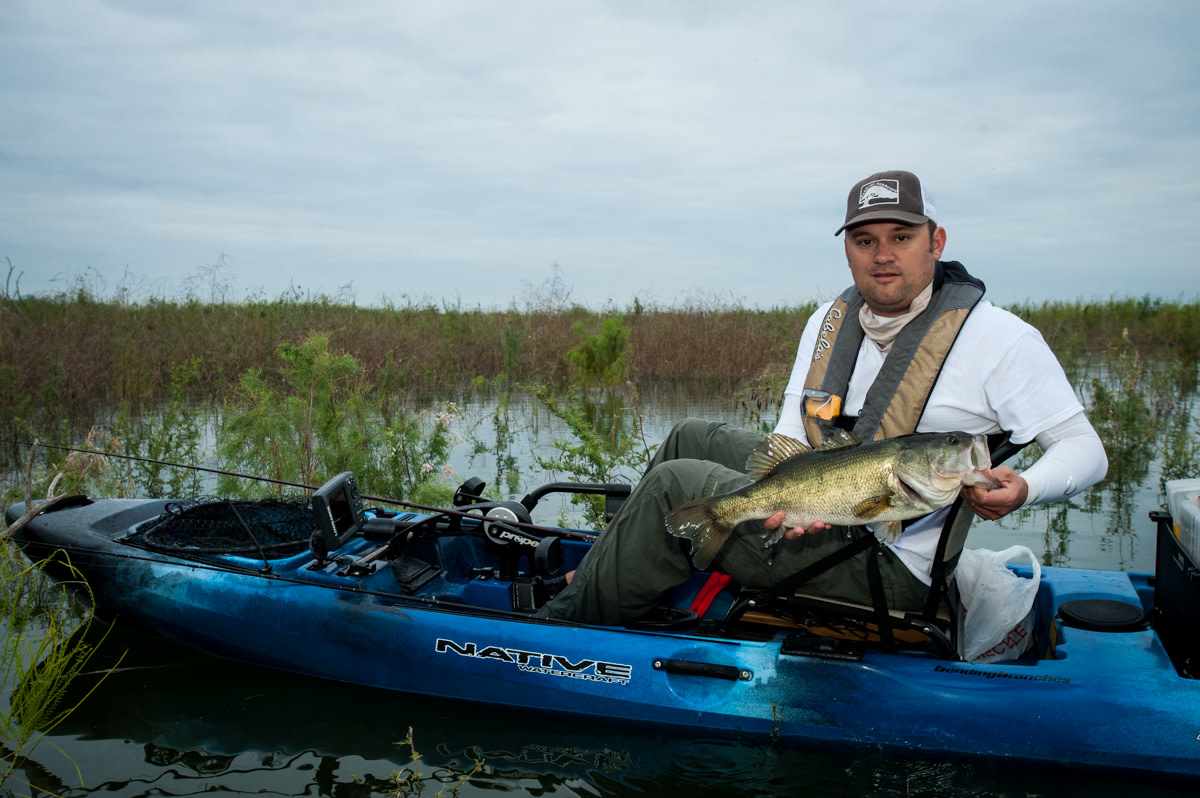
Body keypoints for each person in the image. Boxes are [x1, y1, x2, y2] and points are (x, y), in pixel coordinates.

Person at [536, 169, 1107, 627]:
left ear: (936, 242)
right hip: (830, 503)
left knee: (673, 485)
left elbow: (1085, 449)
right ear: (848, 251)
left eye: (901, 238)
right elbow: (791, 433)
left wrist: (1025, 488)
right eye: (865, 241)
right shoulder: (829, 323)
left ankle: (559, 632)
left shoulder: (999, 338)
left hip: (891, 561)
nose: (883, 255)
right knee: (690, 435)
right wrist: (792, 506)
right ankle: (607, 574)